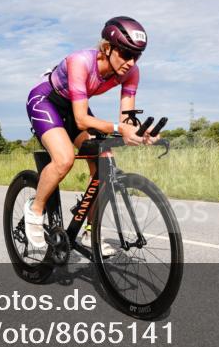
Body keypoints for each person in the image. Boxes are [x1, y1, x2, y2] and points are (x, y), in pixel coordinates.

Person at [24, 16, 154, 250]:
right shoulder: (80, 61)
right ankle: (35, 211)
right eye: (126, 53)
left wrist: (139, 132)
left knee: (104, 161)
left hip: (75, 106)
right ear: (107, 47)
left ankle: (90, 232)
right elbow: (82, 120)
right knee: (64, 159)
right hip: (46, 101)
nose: (131, 62)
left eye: (136, 56)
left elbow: (126, 120)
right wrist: (120, 129)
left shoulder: (131, 72)